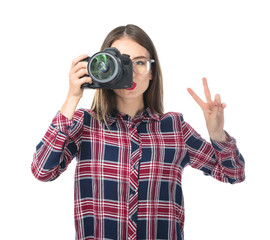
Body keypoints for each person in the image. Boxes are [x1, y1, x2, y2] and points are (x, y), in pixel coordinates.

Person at [31, 24, 245, 240]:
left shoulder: (175, 128)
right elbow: (42, 170)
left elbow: (233, 174)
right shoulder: (84, 124)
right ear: (104, 69)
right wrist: (72, 98)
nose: (131, 72)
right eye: (122, 63)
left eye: (140, 63)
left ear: (152, 72)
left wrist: (218, 134)